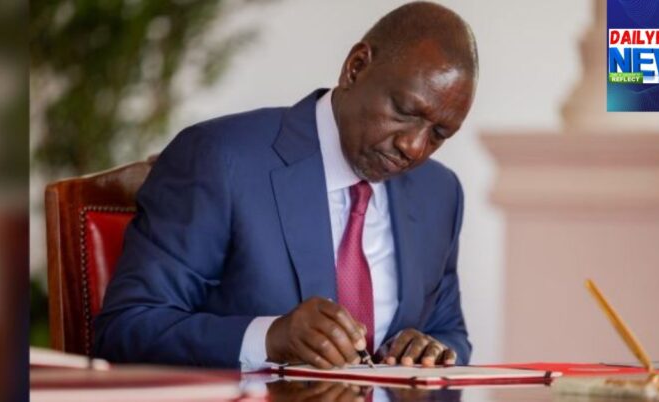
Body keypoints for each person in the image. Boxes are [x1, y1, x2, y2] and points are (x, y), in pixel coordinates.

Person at [94, 1, 478, 370]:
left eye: (439, 134)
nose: (413, 147)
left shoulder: (438, 193)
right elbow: (126, 328)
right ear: (356, 67)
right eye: (405, 112)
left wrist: (431, 350)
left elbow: (450, 333)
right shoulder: (220, 159)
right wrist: (268, 338)